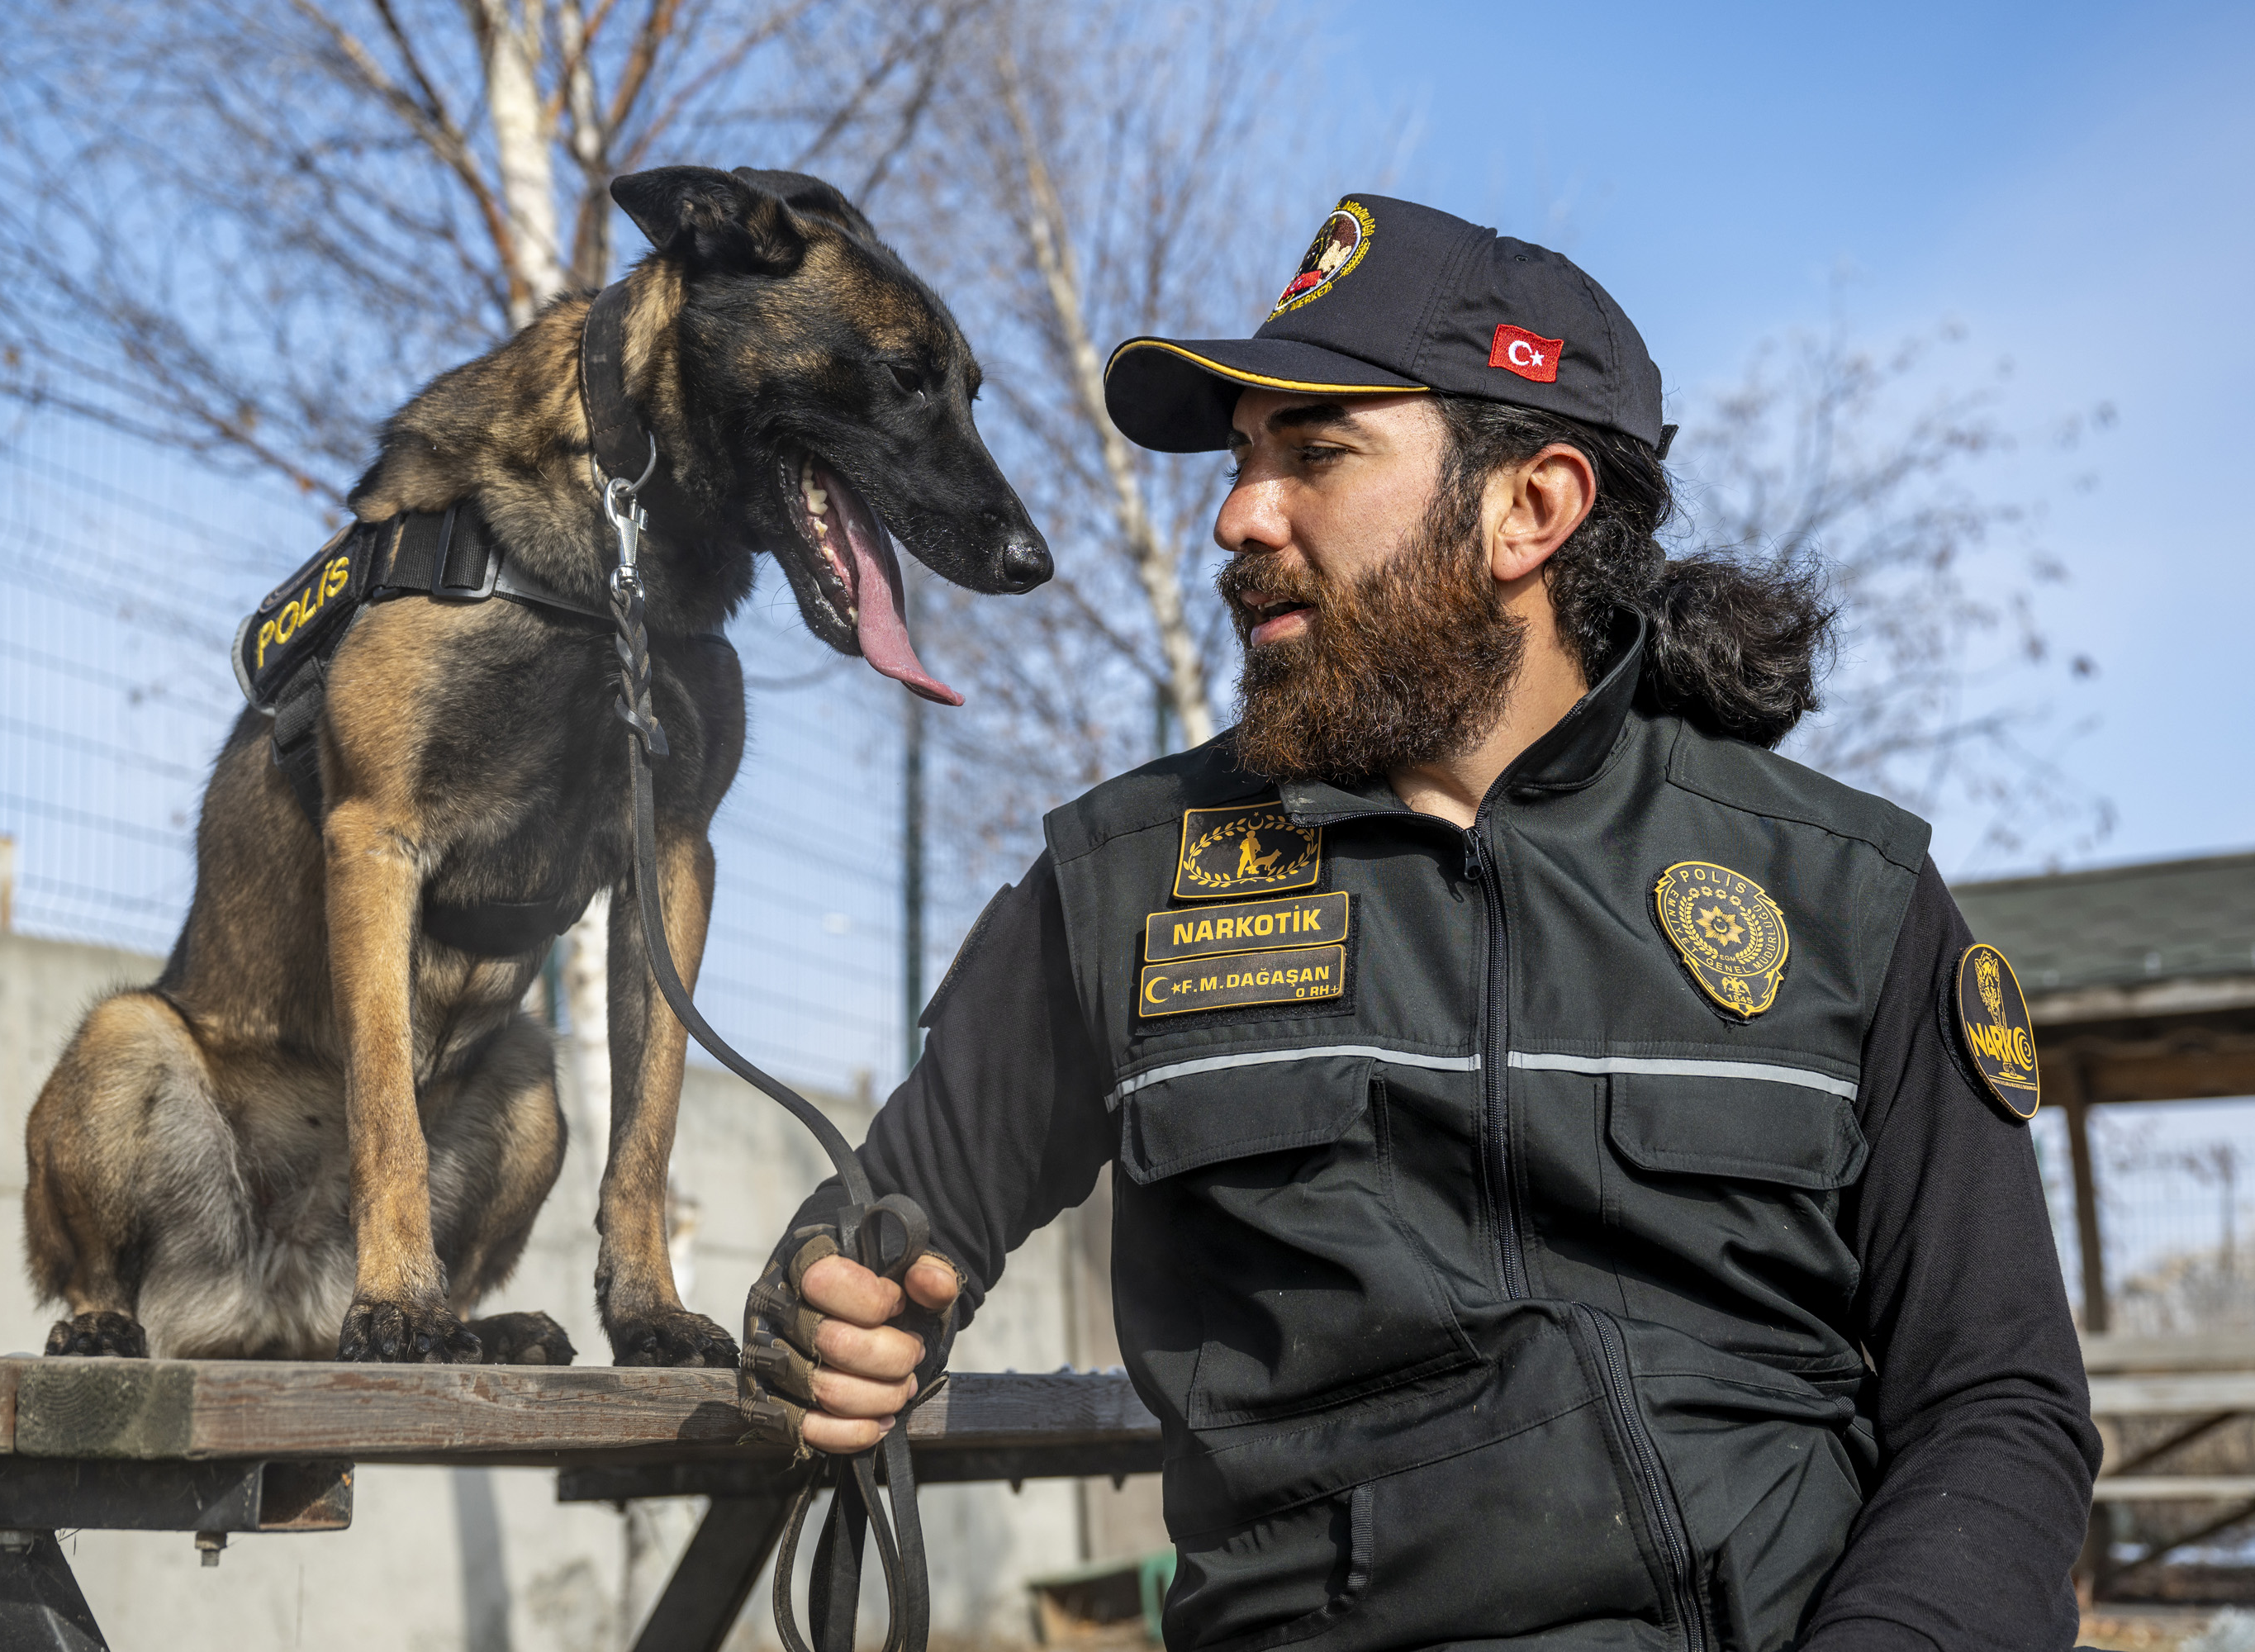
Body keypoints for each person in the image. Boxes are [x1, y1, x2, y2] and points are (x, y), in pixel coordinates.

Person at [735, 195, 2098, 1651]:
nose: (1237, 515)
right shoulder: (1120, 884)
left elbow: (1998, 1400)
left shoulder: (1845, 894)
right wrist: (830, 1313)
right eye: (1244, 459)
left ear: (1533, 509)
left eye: (1312, 454)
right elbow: (870, 1236)